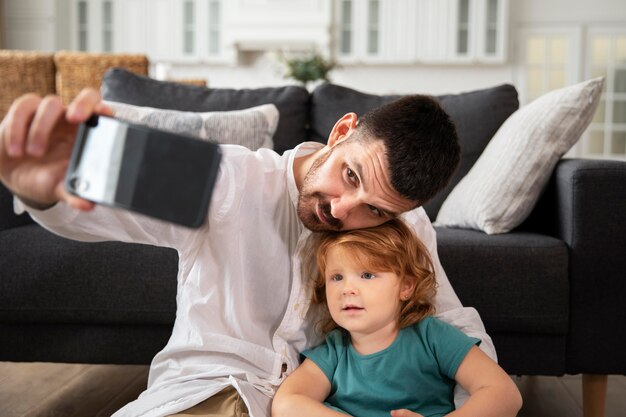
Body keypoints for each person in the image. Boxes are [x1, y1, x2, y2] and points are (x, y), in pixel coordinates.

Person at [0, 88, 496, 417]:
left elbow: (450, 322)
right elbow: (106, 209)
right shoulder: (229, 177)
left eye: (376, 211)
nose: (344, 212)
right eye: (350, 176)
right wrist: (46, 189)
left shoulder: (406, 223)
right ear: (341, 131)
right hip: (211, 393)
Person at [272, 219, 522, 417]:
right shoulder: (334, 352)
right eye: (337, 277)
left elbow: (504, 394)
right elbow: (286, 404)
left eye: (367, 275)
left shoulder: (431, 336)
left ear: (406, 287)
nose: (347, 289)